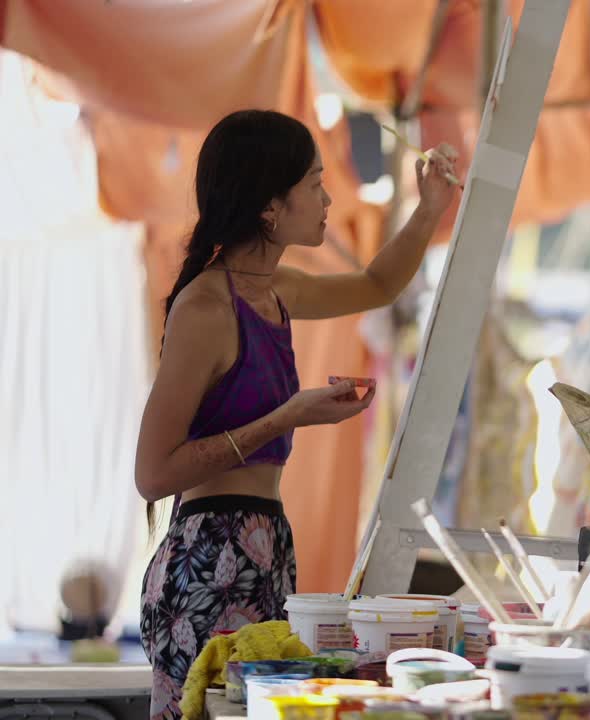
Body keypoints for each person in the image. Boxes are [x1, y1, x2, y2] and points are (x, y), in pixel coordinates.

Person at [134, 109, 458, 717]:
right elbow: (152, 475)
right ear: (269, 208)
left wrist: (430, 206)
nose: (327, 197)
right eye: (313, 183)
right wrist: (286, 417)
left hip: (264, 546)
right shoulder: (205, 308)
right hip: (211, 557)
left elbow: (375, 285)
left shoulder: (275, 288)